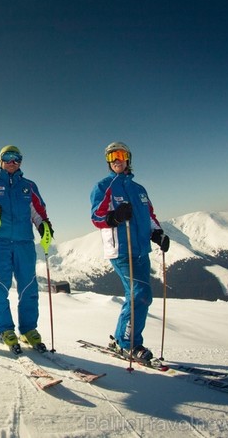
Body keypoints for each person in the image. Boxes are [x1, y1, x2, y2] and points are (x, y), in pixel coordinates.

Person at [90, 141, 170, 361]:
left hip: (142, 250)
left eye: (120, 154)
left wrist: (158, 234)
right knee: (140, 295)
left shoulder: (139, 189)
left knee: (138, 297)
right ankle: (128, 344)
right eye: (111, 156)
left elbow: (149, 216)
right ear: (108, 161)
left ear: (128, 158)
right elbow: (96, 217)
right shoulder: (103, 187)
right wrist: (114, 217)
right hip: (122, 251)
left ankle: (121, 338)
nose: (117, 159)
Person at [0, 145, 53, 351]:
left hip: (25, 243)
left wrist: (43, 224)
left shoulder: (28, 186)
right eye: (7, 157)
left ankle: (28, 330)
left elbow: (38, 212)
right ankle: (5, 328)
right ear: (0, 160)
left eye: (16, 158)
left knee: (28, 287)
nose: (12, 162)